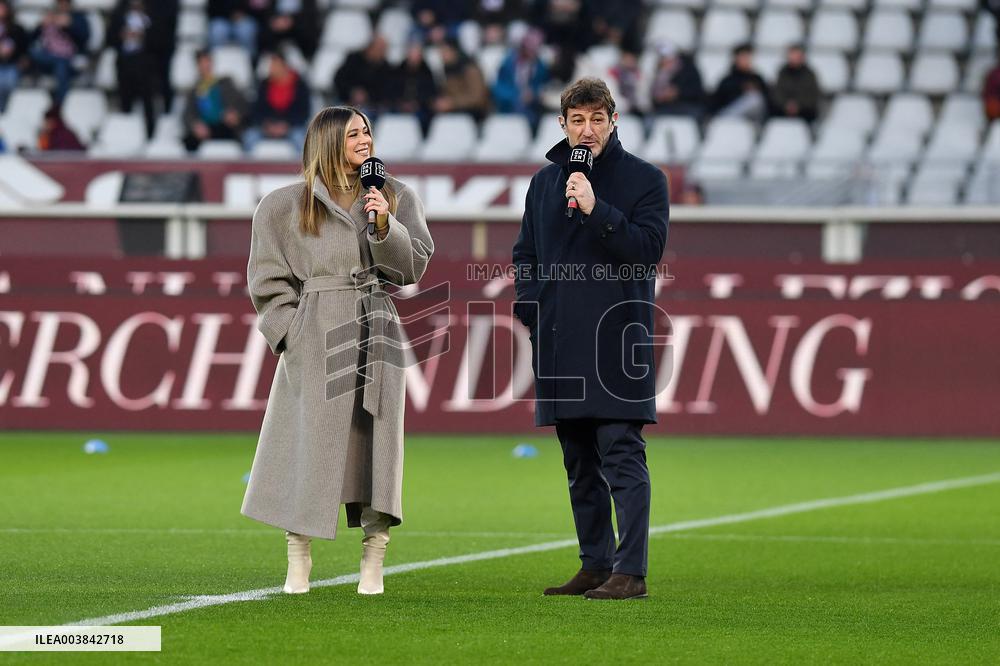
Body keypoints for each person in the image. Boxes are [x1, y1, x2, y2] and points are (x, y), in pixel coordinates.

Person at [242, 105, 434, 596]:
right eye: (354, 133)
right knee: (306, 445)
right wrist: (290, 333)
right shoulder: (282, 205)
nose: (365, 139)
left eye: (368, 130)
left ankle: (374, 560)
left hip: (377, 327)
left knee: (378, 445)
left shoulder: (395, 195)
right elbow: (266, 281)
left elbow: (411, 270)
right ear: (328, 141)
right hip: (315, 335)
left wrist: (386, 225)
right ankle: (298, 557)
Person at [512, 78, 669, 601]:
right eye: (577, 120)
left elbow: (646, 250)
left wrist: (598, 208)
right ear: (562, 124)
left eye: (597, 119)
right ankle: (596, 563)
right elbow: (525, 253)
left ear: (614, 120)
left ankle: (632, 571)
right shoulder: (543, 182)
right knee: (578, 460)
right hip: (558, 338)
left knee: (621, 453)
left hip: (615, 338)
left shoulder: (646, 180)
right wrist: (532, 307)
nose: (587, 129)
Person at [108, 0, 160, 139]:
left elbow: (161, 40)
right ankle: (126, 137)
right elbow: (110, 38)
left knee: (147, 104)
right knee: (125, 103)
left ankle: (150, 137)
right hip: (125, 64)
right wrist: (123, 34)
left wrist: (143, 35)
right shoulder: (119, 13)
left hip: (145, 65)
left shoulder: (152, 13)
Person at [182, 49, 248, 152]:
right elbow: (187, 114)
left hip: (225, 126)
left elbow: (243, 104)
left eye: (207, 61)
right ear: (197, 66)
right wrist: (195, 125)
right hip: (205, 128)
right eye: (202, 63)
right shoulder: (194, 90)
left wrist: (235, 114)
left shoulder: (226, 84)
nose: (205, 65)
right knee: (188, 142)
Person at [243, 51, 310, 152]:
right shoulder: (264, 85)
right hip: (267, 127)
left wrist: (287, 125)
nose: (271, 69)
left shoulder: (299, 85)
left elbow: (304, 112)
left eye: (274, 65)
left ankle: (302, 167)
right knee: (249, 136)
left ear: (284, 66)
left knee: (300, 138)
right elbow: (256, 110)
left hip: (291, 127)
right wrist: (266, 124)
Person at [28, 0, 89, 105]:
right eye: (60, 3)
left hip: (70, 59)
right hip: (47, 58)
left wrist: (70, 26)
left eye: (65, 3)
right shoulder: (50, 17)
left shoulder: (78, 18)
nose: (62, 6)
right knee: (34, 53)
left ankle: (58, 105)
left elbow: (85, 40)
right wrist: (40, 26)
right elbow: (29, 40)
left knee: (61, 66)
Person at [492, 27, 549, 127]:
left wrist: (533, 94)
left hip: (532, 111)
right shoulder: (508, 64)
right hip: (508, 108)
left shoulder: (540, 67)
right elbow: (499, 88)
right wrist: (518, 96)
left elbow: (542, 87)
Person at [333, 34, 394, 118]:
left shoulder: (386, 68)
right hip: (346, 99)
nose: (382, 52)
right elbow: (339, 79)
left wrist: (367, 96)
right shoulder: (353, 59)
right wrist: (352, 92)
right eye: (379, 48)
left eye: (384, 49)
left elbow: (385, 91)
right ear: (371, 47)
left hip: (371, 106)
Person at [433, 38, 491, 121]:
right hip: (456, 110)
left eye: (445, 52)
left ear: (454, 52)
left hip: (475, 113)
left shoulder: (471, 69)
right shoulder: (447, 70)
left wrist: (452, 103)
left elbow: (477, 97)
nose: (442, 56)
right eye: (441, 52)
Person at [710, 43, 769, 122]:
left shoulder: (757, 79)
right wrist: (741, 89)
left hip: (753, 119)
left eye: (748, 57)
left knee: (755, 98)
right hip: (728, 114)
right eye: (743, 57)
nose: (746, 60)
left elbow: (766, 100)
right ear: (736, 59)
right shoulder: (728, 79)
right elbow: (719, 100)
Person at [650, 41, 704, 119]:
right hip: (665, 109)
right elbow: (654, 99)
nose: (663, 60)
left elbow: (696, 92)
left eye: (666, 57)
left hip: (687, 108)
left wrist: (677, 93)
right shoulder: (660, 73)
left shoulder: (689, 70)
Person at [772, 44, 820, 123]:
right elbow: (777, 92)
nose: (794, 57)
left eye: (797, 55)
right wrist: (786, 104)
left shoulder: (809, 74)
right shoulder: (782, 72)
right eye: (792, 54)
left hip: (804, 110)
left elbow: (813, 95)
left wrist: (798, 105)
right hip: (784, 108)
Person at [0, 0, 28, 113]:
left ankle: (2, 111)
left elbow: (23, 48)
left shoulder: (16, 29)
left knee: (7, 81)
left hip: (11, 65)